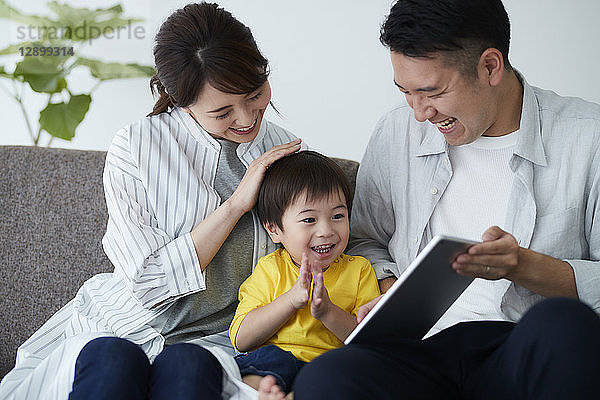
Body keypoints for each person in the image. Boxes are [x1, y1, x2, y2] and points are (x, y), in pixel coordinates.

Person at [292, 0, 600, 399]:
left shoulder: (587, 138)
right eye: (406, 92)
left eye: (432, 91)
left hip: (521, 346)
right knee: (327, 377)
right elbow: (364, 237)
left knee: (565, 324)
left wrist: (522, 265)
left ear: (490, 66)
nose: (420, 113)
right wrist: (388, 292)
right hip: (419, 350)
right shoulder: (396, 131)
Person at [0, 3, 304, 399]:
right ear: (182, 102)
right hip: (124, 328)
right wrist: (235, 205)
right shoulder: (136, 147)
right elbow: (148, 282)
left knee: (189, 368)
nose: (247, 118)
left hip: (217, 346)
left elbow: (328, 240)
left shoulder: (281, 149)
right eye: (222, 111)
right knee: (114, 361)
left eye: (255, 94)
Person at [227, 151, 380, 399]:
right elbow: (242, 340)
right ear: (275, 230)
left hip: (327, 366)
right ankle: (257, 390)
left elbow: (367, 340)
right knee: (272, 360)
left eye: (338, 216)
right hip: (275, 361)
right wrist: (291, 300)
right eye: (309, 219)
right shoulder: (271, 269)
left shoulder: (359, 269)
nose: (326, 230)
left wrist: (328, 312)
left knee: (344, 370)